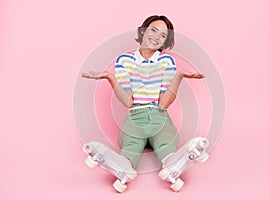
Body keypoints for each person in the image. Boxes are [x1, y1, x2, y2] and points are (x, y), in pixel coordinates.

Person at [82, 15, 208, 192]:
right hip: (135, 117)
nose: (156, 36)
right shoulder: (124, 61)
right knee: (130, 147)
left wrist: (178, 76)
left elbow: (164, 104)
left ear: (166, 41)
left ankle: (174, 164)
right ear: (143, 31)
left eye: (163, 35)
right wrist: (109, 77)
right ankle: (122, 168)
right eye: (153, 30)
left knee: (166, 145)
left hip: (159, 116)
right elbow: (128, 101)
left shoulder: (167, 61)